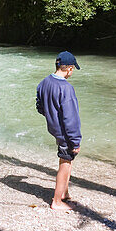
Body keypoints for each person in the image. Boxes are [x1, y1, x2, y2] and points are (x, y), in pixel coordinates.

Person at [35, 51, 82, 211]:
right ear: (68, 68)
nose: (72, 72)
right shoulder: (66, 89)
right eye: (73, 69)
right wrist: (75, 141)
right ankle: (57, 201)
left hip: (54, 129)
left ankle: (64, 194)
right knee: (66, 163)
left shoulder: (44, 82)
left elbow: (39, 106)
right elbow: (71, 118)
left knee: (66, 160)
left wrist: (51, 116)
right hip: (65, 133)